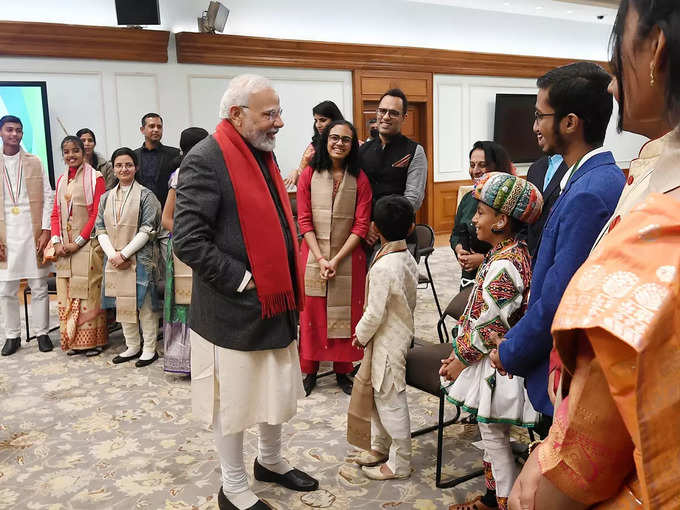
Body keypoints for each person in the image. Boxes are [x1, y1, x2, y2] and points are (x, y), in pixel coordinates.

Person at [509, 2, 680, 508]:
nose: (612, 85)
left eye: (616, 51)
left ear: (656, 50)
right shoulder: (644, 167)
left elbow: (587, 453)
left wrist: (547, 471)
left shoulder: (654, 212)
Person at [173, 74, 318, 510]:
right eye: (269, 114)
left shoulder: (260, 152)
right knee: (234, 401)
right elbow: (188, 240)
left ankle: (269, 461)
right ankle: (233, 487)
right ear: (236, 115)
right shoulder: (205, 158)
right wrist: (245, 279)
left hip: (275, 302)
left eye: (279, 112)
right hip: (232, 308)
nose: (279, 123)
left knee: (274, 388)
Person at [487, 62, 625, 433]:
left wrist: (511, 350)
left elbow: (558, 298)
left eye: (539, 116)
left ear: (570, 122)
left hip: (565, 368)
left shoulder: (589, 193)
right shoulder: (596, 178)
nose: (534, 126)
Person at [440, 173, 543, 510]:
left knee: (495, 440)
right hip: (490, 361)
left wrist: (459, 357)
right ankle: (492, 498)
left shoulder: (505, 265)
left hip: (496, 365)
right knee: (491, 436)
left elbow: (490, 326)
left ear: (501, 220)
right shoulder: (506, 253)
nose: (473, 218)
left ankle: (503, 503)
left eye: (480, 212)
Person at [297, 119, 372, 396]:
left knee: (347, 313)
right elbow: (303, 220)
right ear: (325, 140)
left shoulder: (360, 179)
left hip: (349, 259)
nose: (339, 143)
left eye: (346, 140)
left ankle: (343, 369)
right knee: (312, 313)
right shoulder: (309, 175)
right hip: (312, 256)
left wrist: (336, 259)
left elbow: (361, 225)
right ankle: (309, 369)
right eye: (334, 138)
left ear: (352, 146)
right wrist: (320, 258)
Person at [350, 195, 418, 481]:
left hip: (388, 341)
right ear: (412, 228)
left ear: (374, 228)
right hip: (394, 335)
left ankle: (401, 462)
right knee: (376, 395)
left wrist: (359, 336)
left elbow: (375, 313)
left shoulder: (383, 266)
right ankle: (381, 446)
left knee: (390, 398)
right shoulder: (406, 257)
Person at [95, 147, 163, 367]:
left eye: (128, 165)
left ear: (136, 168)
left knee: (144, 305)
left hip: (140, 258)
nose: (124, 169)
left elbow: (148, 229)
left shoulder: (146, 195)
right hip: (113, 258)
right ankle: (132, 346)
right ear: (113, 169)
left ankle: (150, 348)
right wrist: (113, 255)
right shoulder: (106, 197)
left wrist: (124, 253)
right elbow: (100, 229)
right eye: (119, 165)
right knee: (122, 302)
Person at [0, 115, 54, 356]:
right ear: (1, 132)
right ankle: (12, 335)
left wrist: (45, 230)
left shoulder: (34, 161)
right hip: (5, 234)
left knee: (39, 286)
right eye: (9, 130)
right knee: (5, 290)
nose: (14, 134)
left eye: (19, 130)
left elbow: (48, 196)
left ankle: (42, 333)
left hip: (32, 231)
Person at [50, 135, 107, 356]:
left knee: (87, 293)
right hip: (64, 248)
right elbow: (55, 213)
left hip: (87, 246)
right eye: (66, 151)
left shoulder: (96, 178)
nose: (71, 155)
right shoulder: (61, 179)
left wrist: (79, 242)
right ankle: (72, 341)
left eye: (75, 150)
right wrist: (56, 242)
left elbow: (97, 215)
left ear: (83, 152)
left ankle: (93, 342)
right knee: (66, 294)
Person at [448, 141, 515, 323]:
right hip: (468, 277)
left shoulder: (509, 203)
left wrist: (482, 260)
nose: (475, 170)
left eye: (482, 165)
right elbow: (456, 233)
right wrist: (459, 249)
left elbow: (515, 246)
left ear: (497, 166)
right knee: (466, 323)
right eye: (472, 165)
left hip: (497, 276)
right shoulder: (469, 199)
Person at [161, 127, 209, 374]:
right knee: (183, 304)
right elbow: (166, 218)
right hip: (182, 247)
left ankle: (205, 360)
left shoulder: (211, 172)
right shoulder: (179, 176)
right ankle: (183, 359)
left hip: (207, 250)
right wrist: (189, 239)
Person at [359, 88, 427, 252]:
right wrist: (365, 224)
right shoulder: (362, 150)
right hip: (366, 234)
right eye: (382, 111)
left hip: (400, 237)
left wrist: (380, 224)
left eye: (393, 113)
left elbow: (413, 198)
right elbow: (355, 193)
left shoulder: (415, 151)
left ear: (404, 117)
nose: (386, 117)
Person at [283, 100, 344, 188]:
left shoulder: (352, 144)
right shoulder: (313, 148)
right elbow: (302, 182)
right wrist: (295, 172)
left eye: (322, 120)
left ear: (334, 120)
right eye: (316, 120)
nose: (318, 125)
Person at [525, 154, 568, 259]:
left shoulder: (575, 166)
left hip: (556, 254)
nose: (538, 135)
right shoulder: (535, 167)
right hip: (529, 254)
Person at [133, 113, 180, 208]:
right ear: (142, 130)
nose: (156, 130)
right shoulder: (134, 156)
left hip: (167, 209)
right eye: (151, 126)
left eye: (159, 127)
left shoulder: (174, 154)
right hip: (140, 209)